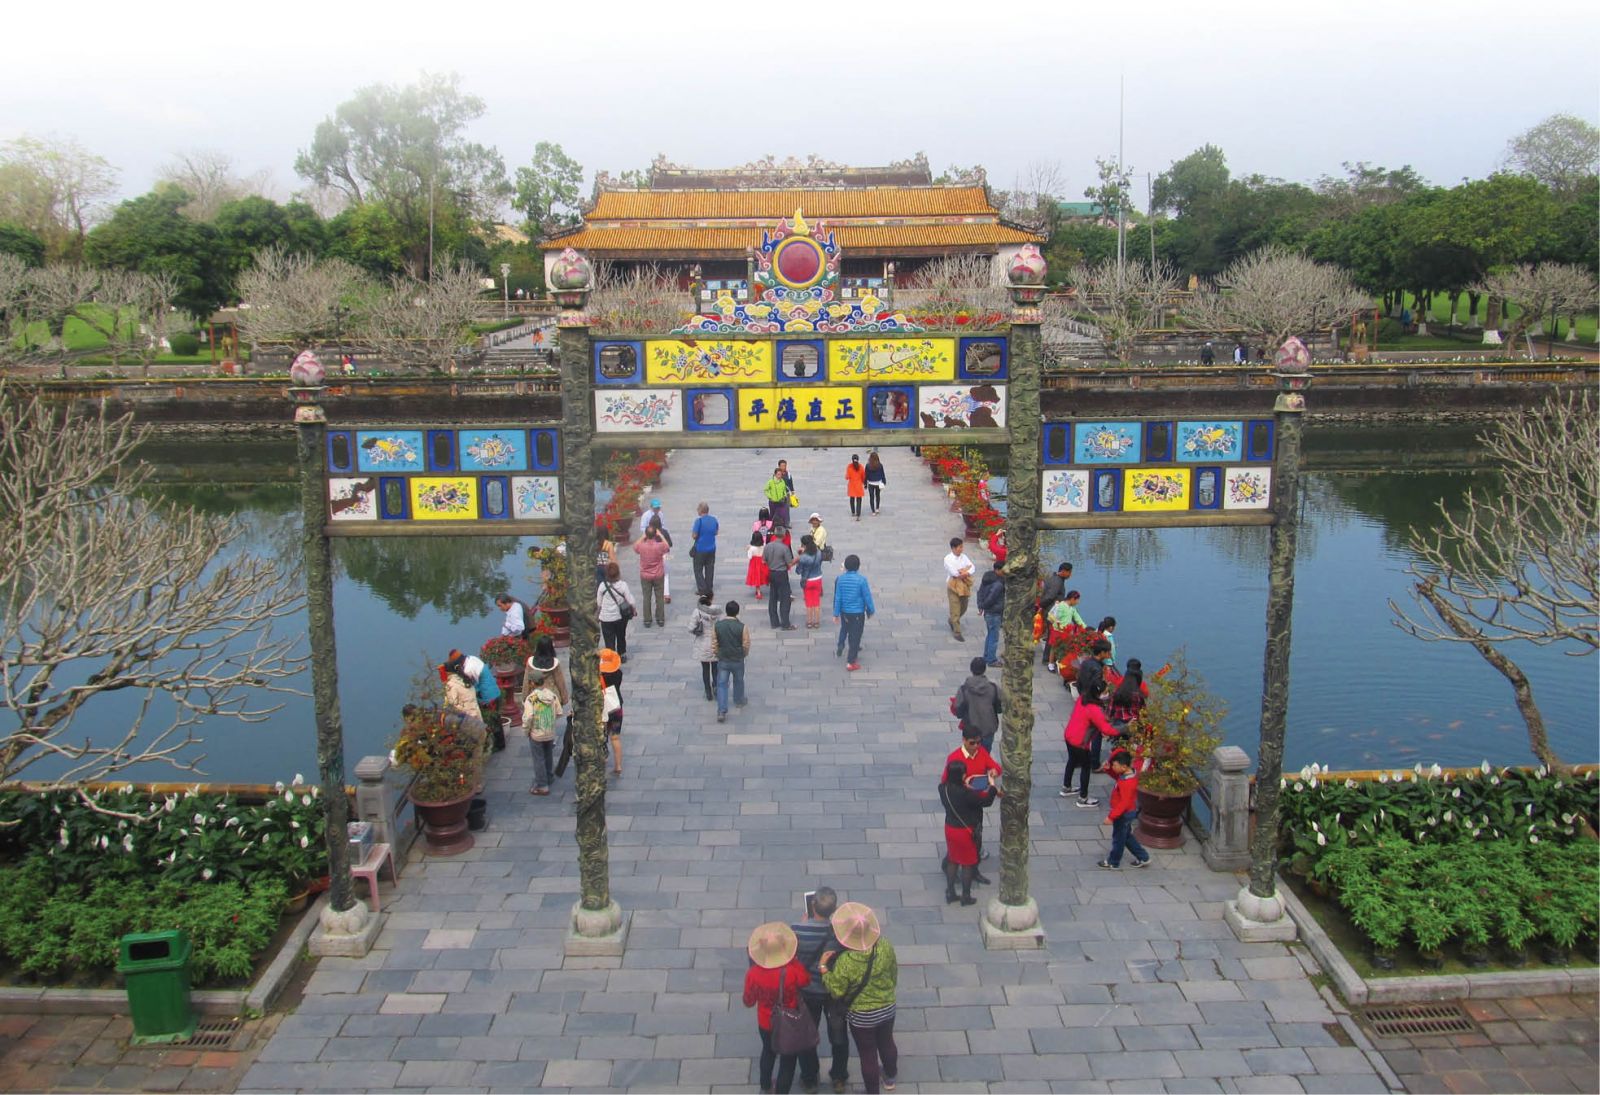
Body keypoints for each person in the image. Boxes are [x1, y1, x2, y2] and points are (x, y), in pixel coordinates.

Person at [820, 904, 898, 1095]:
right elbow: (893, 973)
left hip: (862, 1016)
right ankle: (890, 1076)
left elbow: (836, 990)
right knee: (887, 1041)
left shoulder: (846, 961)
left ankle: (872, 1091)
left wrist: (823, 967)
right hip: (887, 1007)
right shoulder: (885, 946)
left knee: (868, 1053)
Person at [792, 887, 851, 1094]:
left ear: (812, 906)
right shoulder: (841, 933)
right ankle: (839, 1078)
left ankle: (809, 1078)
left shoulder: (797, 929)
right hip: (833, 991)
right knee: (839, 1034)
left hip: (808, 991)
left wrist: (803, 923)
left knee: (807, 1035)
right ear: (834, 909)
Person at [743, 922, 811, 1095]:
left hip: (766, 1022)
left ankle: (765, 1085)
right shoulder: (792, 970)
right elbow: (805, 981)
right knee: (788, 1060)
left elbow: (748, 1001)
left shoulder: (753, 973)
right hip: (789, 1021)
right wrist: (794, 961)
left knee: (768, 1051)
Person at [940, 760, 997, 905]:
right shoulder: (966, 794)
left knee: (953, 858)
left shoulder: (942, 788)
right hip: (965, 831)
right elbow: (987, 801)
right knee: (967, 863)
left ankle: (951, 892)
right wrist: (992, 785)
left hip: (950, 828)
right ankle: (966, 896)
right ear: (962, 775)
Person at [521, 638, 569, 795]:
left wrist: (524, 697)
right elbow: (560, 681)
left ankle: (542, 783)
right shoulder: (554, 663)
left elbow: (526, 681)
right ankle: (549, 775)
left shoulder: (531, 663)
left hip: (535, 701)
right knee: (548, 744)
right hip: (551, 698)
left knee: (538, 755)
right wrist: (564, 698)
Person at [1100, 748, 1151, 869]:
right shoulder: (1127, 774)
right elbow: (1116, 776)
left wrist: (1111, 817)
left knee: (1118, 839)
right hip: (1126, 813)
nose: (1113, 766)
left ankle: (1113, 861)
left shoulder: (1128, 783)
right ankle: (1143, 857)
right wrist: (1109, 770)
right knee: (1126, 836)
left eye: (1114, 765)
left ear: (1123, 767)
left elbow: (1124, 803)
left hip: (1123, 814)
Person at [1062, 688, 1112, 807]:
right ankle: (1083, 798)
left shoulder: (1082, 700)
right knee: (1085, 767)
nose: (1107, 694)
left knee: (1072, 760)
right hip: (1080, 742)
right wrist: (1124, 728)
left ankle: (1066, 787)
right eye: (1105, 692)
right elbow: (1107, 729)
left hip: (1069, 735)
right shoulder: (1093, 709)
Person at [832, 554, 875, 671]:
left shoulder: (840, 579)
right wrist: (871, 610)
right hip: (857, 613)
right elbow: (867, 596)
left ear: (845, 566)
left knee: (846, 629)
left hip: (845, 612)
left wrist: (836, 614)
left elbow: (838, 598)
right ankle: (851, 661)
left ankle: (845, 646)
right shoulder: (861, 580)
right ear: (858, 567)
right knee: (855, 635)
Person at [953, 656, 1002, 756]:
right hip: (988, 728)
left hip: (970, 730)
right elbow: (1000, 706)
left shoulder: (964, 689)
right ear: (984, 669)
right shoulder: (993, 688)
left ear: (971, 669)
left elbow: (958, 709)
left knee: (970, 756)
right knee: (985, 755)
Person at [712, 600, 751, 723]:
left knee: (722, 684)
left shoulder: (718, 625)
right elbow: (746, 644)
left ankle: (722, 710)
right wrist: (743, 654)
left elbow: (714, 642)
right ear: (737, 612)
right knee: (739, 680)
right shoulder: (742, 627)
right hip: (737, 659)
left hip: (723, 658)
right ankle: (739, 700)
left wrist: (717, 653)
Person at [460, 654, 505, 752]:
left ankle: (498, 745)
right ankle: (501, 743)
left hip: (488, 696)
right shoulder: (472, 658)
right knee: (497, 719)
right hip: (495, 691)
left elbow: (474, 687)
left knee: (493, 721)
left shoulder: (468, 669)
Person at [597, 561, 636, 664]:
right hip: (620, 617)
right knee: (621, 635)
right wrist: (634, 609)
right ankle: (622, 654)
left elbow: (599, 603)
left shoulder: (602, 586)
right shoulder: (623, 585)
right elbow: (630, 601)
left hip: (605, 618)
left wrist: (597, 615)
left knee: (608, 638)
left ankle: (611, 656)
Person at [633, 522, 670, 628]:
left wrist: (643, 536)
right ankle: (660, 618)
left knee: (646, 597)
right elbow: (667, 547)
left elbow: (635, 547)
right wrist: (661, 535)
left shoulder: (642, 546)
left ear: (646, 535)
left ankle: (647, 620)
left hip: (645, 575)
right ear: (655, 534)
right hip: (658, 574)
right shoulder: (659, 546)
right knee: (659, 597)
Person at [688, 593, 723, 702]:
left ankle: (708, 691)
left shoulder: (697, 612)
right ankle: (716, 686)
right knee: (715, 668)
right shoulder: (718, 611)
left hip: (703, 643)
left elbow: (690, 628)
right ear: (711, 598)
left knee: (705, 669)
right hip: (715, 643)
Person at [1037, 561, 1073, 667]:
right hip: (1051, 613)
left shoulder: (1053, 578)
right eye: (1069, 572)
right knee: (1052, 637)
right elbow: (1050, 596)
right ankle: (1047, 659)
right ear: (1063, 571)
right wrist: (1042, 606)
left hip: (1049, 611)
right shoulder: (1057, 582)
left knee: (1051, 636)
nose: (1070, 575)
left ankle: (1050, 658)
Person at [943, 537, 976, 643]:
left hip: (964, 585)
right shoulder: (948, 559)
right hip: (953, 585)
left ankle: (952, 619)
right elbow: (954, 573)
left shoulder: (964, 557)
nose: (961, 549)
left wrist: (966, 572)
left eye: (962, 547)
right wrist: (965, 571)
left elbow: (972, 567)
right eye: (959, 547)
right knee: (955, 607)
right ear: (953, 548)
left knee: (964, 606)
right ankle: (957, 631)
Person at [1046, 590, 1088, 673]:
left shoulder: (1072, 609)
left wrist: (1085, 627)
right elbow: (1055, 617)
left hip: (1067, 632)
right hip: (1058, 630)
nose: (1078, 602)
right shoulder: (1060, 606)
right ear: (1072, 599)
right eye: (1077, 600)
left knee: (1064, 648)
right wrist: (1059, 625)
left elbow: (1078, 619)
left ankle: (1061, 663)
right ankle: (1050, 664)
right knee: (1054, 648)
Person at [764, 528, 796, 631]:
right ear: (783, 535)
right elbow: (790, 563)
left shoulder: (768, 546)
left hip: (771, 572)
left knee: (772, 597)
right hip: (781, 573)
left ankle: (774, 622)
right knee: (785, 598)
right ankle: (785, 623)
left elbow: (763, 561)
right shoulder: (784, 548)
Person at [976, 559, 1005, 667]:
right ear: (998, 570)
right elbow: (991, 598)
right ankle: (991, 659)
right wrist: (984, 605)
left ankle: (987, 655)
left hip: (988, 612)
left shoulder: (987, 578)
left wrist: (980, 606)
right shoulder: (999, 584)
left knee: (990, 634)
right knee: (994, 636)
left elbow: (980, 592)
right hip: (995, 612)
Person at [600, 647, 624, 776]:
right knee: (615, 737)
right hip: (616, 707)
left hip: (603, 709)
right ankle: (618, 765)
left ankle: (602, 760)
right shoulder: (618, 673)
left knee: (602, 736)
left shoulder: (599, 676)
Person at [1108, 657, 1148, 731]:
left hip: (1119, 725)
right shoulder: (1139, 694)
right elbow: (1144, 714)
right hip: (1134, 725)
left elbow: (1110, 712)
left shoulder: (1118, 690)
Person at [690, 501, 719, 598]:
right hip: (711, 548)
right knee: (709, 568)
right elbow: (716, 532)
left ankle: (702, 589)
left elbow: (694, 536)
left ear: (700, 511)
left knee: (698, 569)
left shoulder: (699, 521)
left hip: (700, 549)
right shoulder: (714, 519)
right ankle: (709, 587)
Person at [795, 534, 824, 630]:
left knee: (809, 602)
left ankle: (809, 621)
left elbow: (798, 571)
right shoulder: (819, 553)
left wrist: (800, 555)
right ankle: (816, 622)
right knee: (816, 602)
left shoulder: (803, 557)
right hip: (818, 578)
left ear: (804, 545)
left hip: (807, 581)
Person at [745, 530, 770, 601]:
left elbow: (749, 557)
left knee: (757, 578)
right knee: (762, 576)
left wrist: (748, 549)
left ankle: (758, 592)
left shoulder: (752, 548)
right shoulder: (764, 546)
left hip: (754, 564)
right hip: (762, 563)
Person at [594, 521, 618, 587]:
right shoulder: (608, 544)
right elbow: (613, 559)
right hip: (606, 568)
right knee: (608, 587)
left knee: (600, 588)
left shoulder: (594, 544)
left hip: (597, 568)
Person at [844, 453, 866, 521]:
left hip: (852, 485)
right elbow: (863, 477)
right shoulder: (861, 467)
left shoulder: (849, 467)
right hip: (859, 486)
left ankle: (853, 512)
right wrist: (864, 483)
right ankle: (858, 515)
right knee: (859, 500)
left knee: (852, 499)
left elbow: (847, 477)